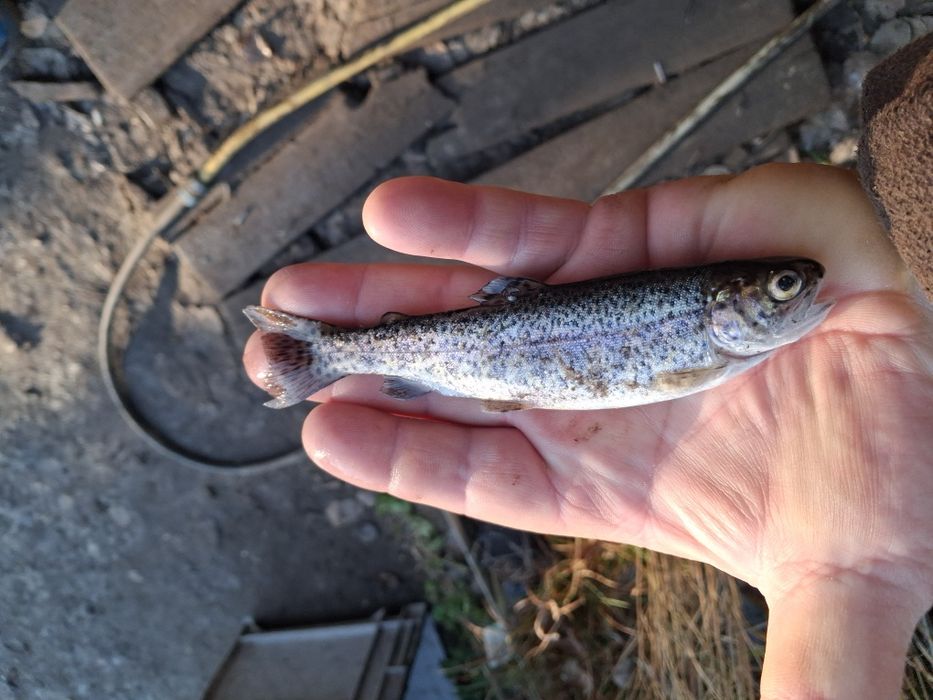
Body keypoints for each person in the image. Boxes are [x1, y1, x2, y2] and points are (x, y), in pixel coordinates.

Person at [244, 162, 932, 698]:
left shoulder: (751, 334)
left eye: (785, 288)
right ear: (728, 304)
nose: (798, 291)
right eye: (782, 288)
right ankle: (323, 353)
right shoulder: (718, 343)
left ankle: (323, 353)